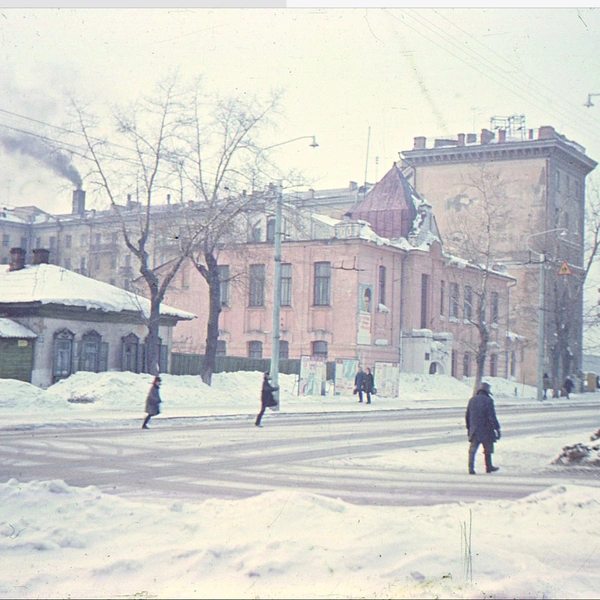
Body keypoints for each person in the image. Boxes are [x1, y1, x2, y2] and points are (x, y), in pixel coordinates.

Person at [465, 382, 501, 475]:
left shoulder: (472, 400)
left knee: (472, 450)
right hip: (486, 430)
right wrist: (497, 429)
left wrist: (469, 429)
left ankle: (471, 468)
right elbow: (492, 416)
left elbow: (467, 416)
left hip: (475, 430)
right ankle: (488, 467)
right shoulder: (488, 401)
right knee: (488, 450)